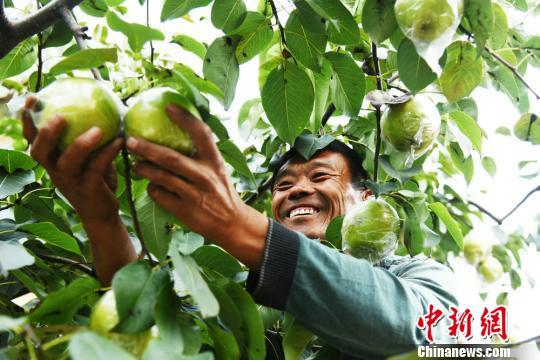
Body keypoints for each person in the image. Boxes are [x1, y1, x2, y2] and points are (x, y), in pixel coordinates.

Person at [21, 99, 458, 359]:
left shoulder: (417, 275)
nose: (297, 191)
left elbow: (426, 331)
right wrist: (100, 218)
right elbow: (151, 321)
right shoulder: (244, 294)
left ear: (366, 198)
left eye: (321, 177)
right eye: (284, 185)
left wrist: (238, 225)